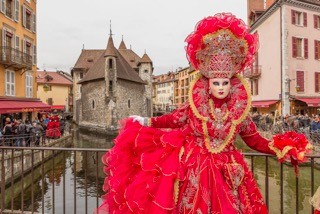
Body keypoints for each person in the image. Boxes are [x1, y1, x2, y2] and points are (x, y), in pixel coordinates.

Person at [96, 13, 311, 214]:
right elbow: (173, 119)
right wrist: (146, 120)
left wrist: (282, 148)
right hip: (193, 168)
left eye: (224, 83)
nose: (220, 87)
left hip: (228, 172)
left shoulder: (240, 112)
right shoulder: (195, 106)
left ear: (231, 84)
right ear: (208, 84)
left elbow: (254, 140)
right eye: (216, 82)